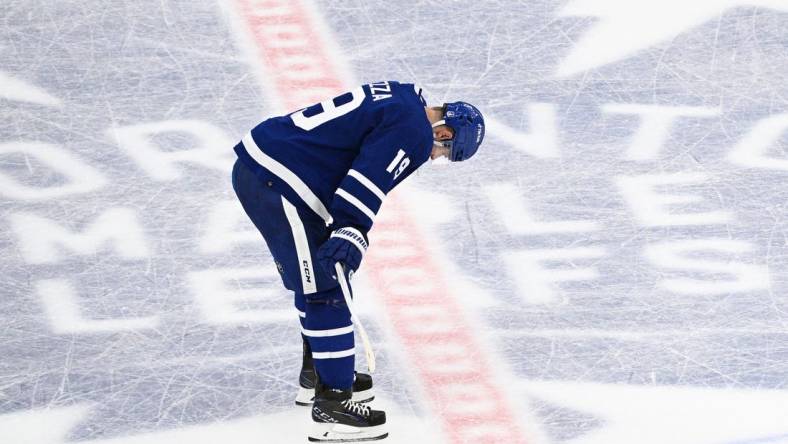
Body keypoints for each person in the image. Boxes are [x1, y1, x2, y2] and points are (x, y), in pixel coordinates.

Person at [231, 80, 485, 442]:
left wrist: (348, 227)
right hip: (280, 181)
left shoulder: (402, 98)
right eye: (443, 152)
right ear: (444, 132)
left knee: (318, 280)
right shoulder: (414, 133)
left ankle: (321, 372)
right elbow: (368, 179)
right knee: (326, 287)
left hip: (271, 170)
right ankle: (333, 403)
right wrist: (351, 229)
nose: (434, 157)